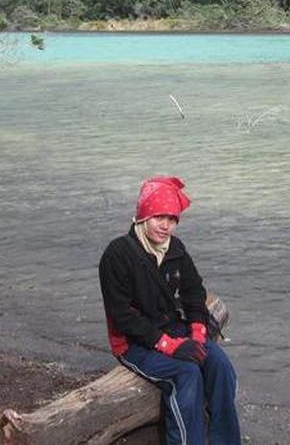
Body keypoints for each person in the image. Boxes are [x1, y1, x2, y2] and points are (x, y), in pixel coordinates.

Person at [98, 176, 241, 445]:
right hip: (133, 343)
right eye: (159, 217)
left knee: (220, 365)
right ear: (142, 217)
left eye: (172, 219)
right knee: (186, 374)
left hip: (173, 329)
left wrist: (197, 333)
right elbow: (122, 316)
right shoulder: (117, 254)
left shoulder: (175, 248)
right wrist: (169, 346)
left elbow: (194, 292)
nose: (166, 226)